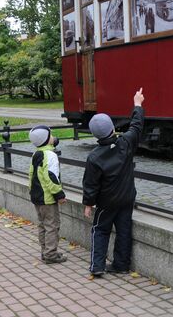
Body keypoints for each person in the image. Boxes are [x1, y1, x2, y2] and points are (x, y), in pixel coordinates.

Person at [82, 88, 145, 277]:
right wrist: (137, 104)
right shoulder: (125, 143)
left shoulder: (94, 157)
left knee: (100, 230)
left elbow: (90, 184)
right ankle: (121, 265)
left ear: (95, 134)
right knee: (124, 231)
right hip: (126, 199)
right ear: (112, 128)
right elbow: (136, 126)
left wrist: (88, 203)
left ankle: (97, 265)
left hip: (106, 203)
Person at [28, 125, 67, 264]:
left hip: (37, 197)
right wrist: (59, 195)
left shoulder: (36, 153)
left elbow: (31, 175)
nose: (53, 137)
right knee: (52, 225)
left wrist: (32, 191)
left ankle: (45, 251)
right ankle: (51, 254)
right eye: (51, 135)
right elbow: (51, 177)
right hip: (48, 198)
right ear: (46, 139)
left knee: (43, 225)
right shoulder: (50, 155)